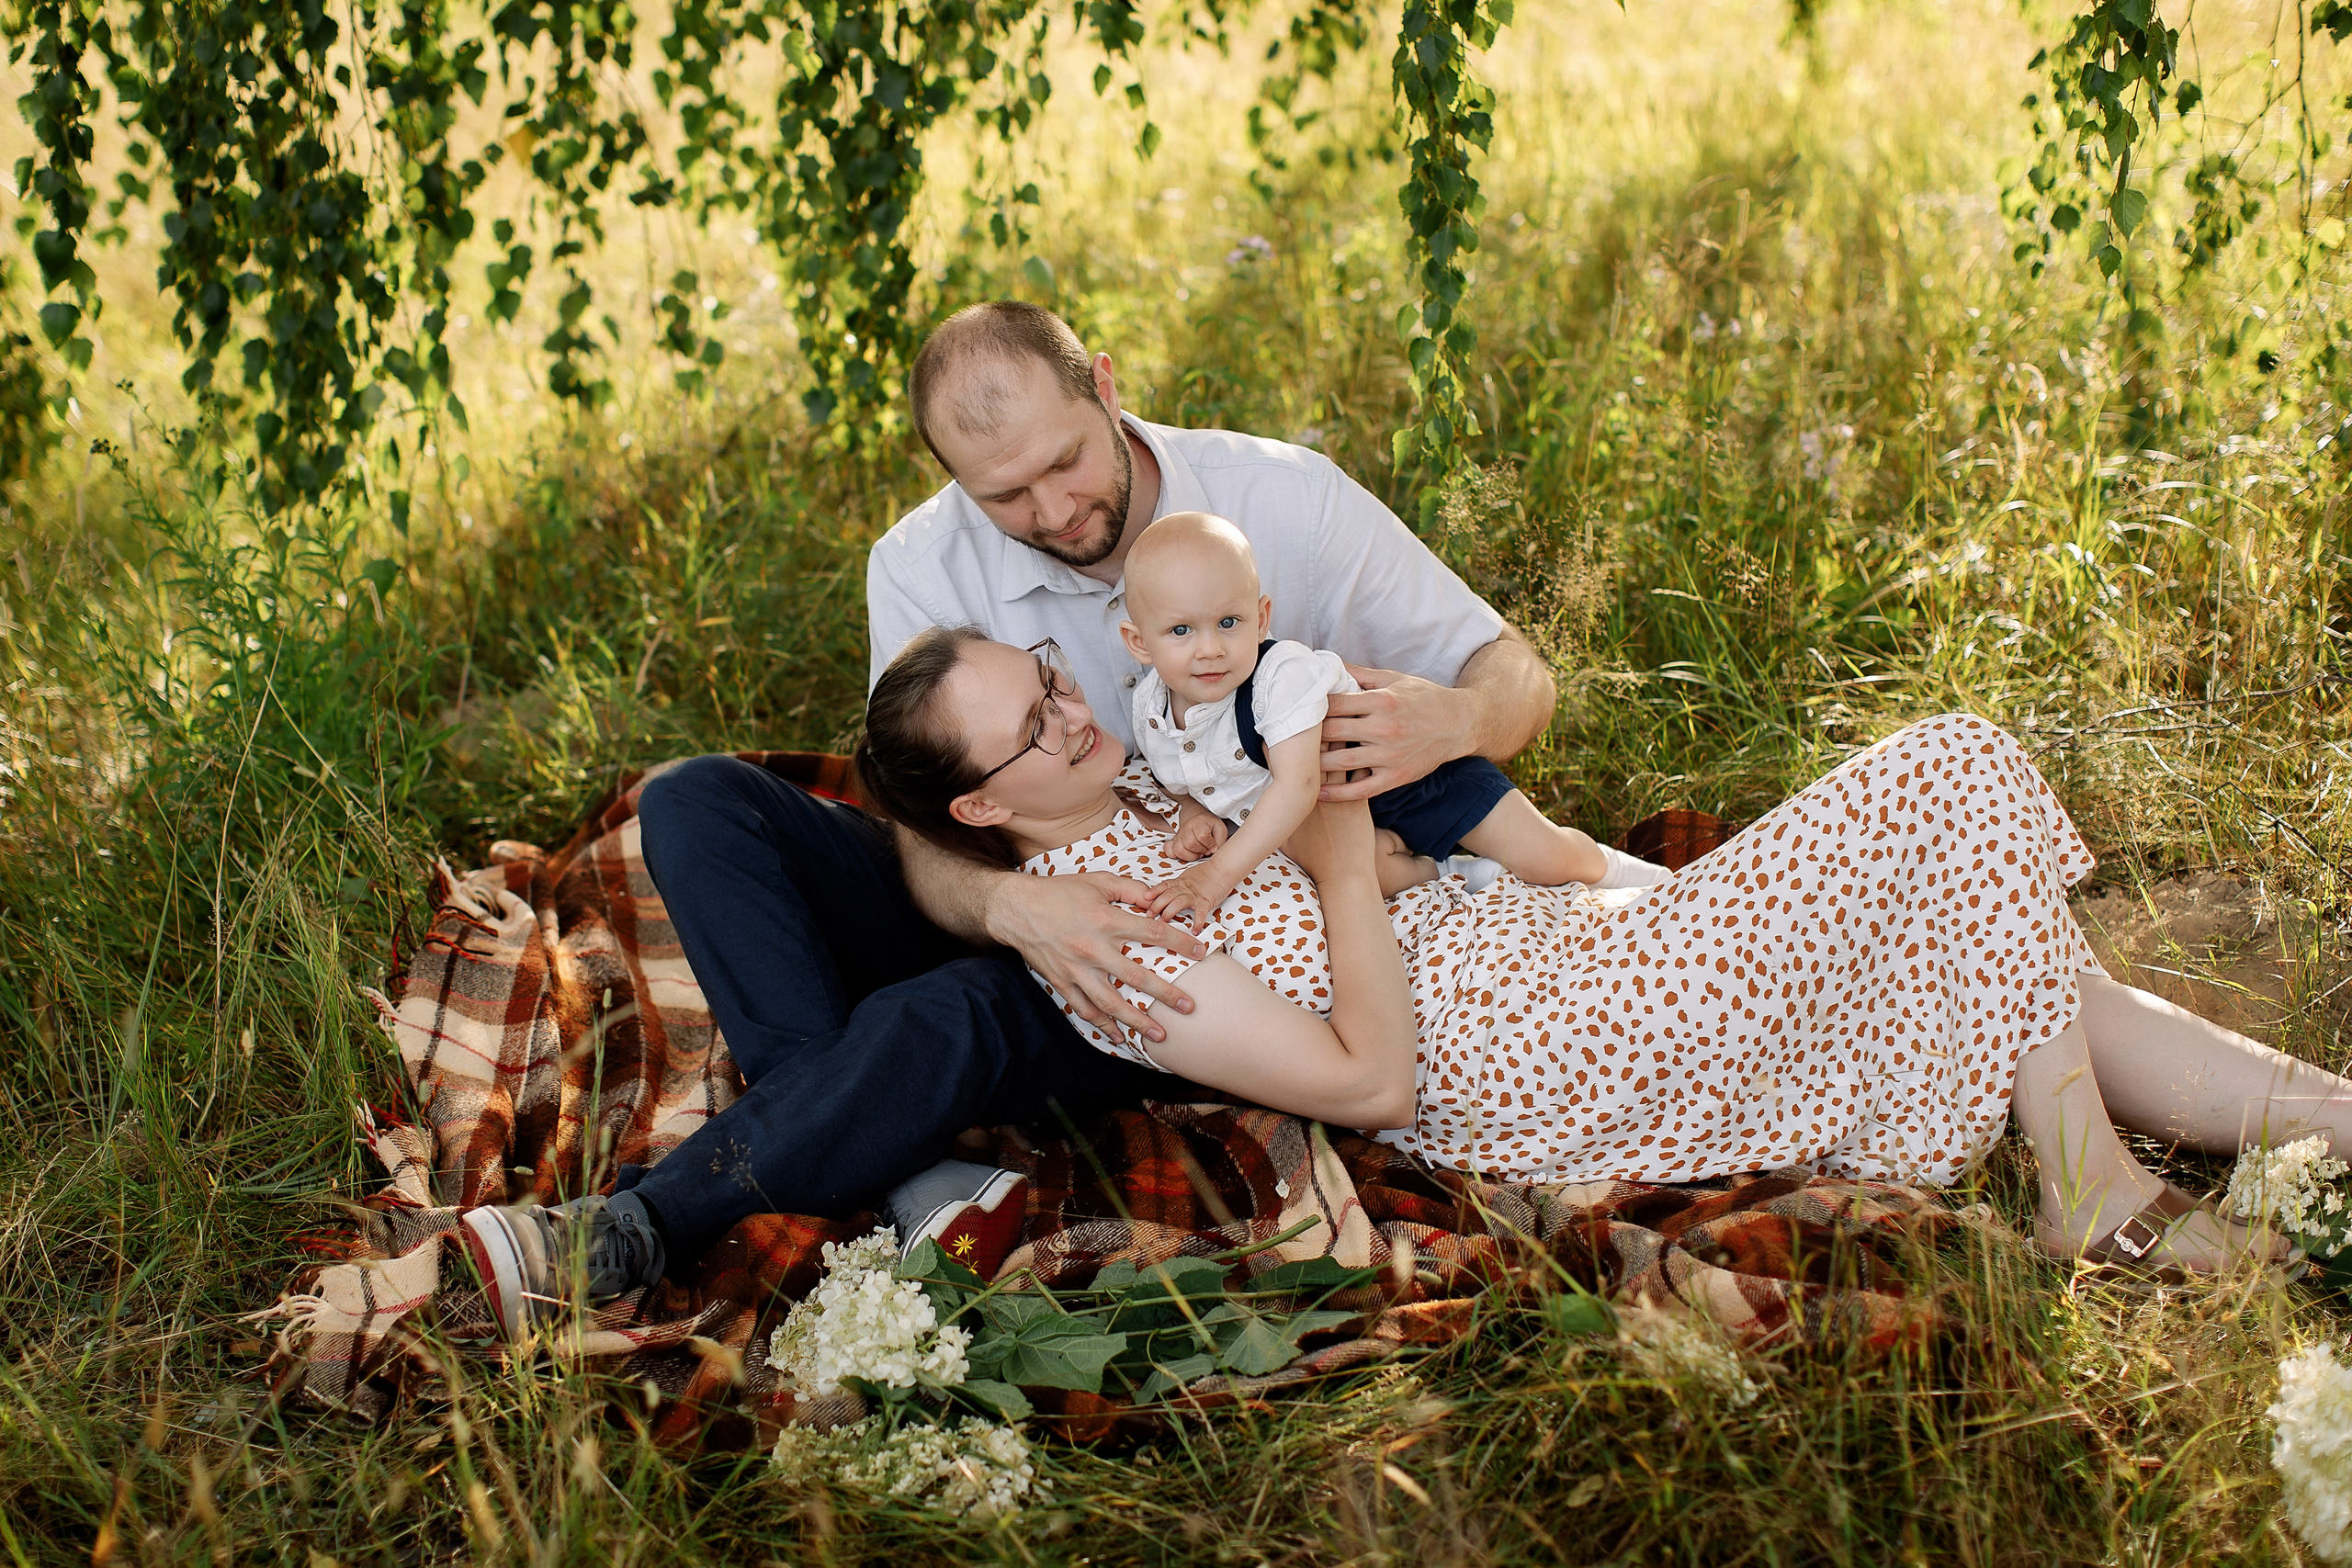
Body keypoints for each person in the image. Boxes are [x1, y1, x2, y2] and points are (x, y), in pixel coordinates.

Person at [462, 300, 1560, 1335]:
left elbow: (1517, 675)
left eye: (1066, 463)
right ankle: (888, 1162)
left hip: (1183, 943)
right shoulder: (919, 565)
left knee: (945, 1016)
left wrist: (1459, 718)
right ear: (953, 483)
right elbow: (924, 831)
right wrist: (1013, 909)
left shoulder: (1281, 500)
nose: (1053, 514)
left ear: (1108, 389)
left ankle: (644, 1228)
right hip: (1006, 890)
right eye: (1005, 497)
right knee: (698, 797)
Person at [857, 627, 2352, 1279]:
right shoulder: (1109, 944)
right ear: (984, 807)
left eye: (1051, 676)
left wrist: (1356, 854)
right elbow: (1366, 1079)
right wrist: (1338, 861)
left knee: (2004, 940)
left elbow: (1359, 860)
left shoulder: (1141, 785)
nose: (1073, 709)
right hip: (1548, 1052)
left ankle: (2330, 1125)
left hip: (1552, 945)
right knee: (1956, 769)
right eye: (1033, 723)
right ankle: (2091, 1185)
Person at [1116, 510, 1657, 919]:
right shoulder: (1152, 706)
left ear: (1261, 618)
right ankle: (1455, 872)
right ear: (1140, 644)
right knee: (1359, 871)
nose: (1209, 648)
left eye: (1228, 622)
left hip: (1410, 778)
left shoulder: (1280, 676)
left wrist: (1215, 877)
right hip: (1339, 821)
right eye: (1181, 631)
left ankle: (1646, 879)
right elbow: (1181, 773)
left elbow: (1298, 784)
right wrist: (1193, 812)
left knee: (1545, 858)